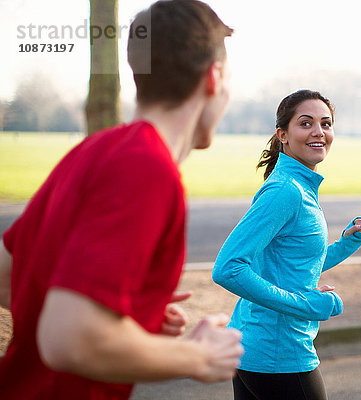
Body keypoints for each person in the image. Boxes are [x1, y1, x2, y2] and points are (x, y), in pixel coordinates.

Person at [0, 1, 243, 398]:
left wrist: (120, 319)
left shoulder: (95, 149)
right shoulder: (148, 169)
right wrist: (196, 356)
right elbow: (70, 339)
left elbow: (7, 276)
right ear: (213, 78)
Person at [212, 89, 361, 400]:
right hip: (280, 353)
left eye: (326, 123)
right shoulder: (286, 190)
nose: (319, 132)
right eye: (306, 123)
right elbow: (228, 269)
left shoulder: (298, 185)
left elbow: (287, 264)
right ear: (282, 134)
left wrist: (343, 246)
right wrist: (307, 304)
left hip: (255, 350)